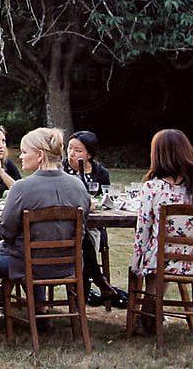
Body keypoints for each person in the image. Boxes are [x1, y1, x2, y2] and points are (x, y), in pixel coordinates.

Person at [0, 128, 90, 308]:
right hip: (68, 264)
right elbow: (83, 229)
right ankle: (39, 308)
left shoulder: (21, 188)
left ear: (40, 155)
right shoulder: (79, 186)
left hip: (29, 265)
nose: (21, 157)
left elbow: (5, 231)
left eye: (25, 152)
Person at [130, 128, 193, 331]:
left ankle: (148, 315)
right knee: (161, 253)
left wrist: (136, 263)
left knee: (153, 255)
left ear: (158, 155)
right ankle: (153, 316)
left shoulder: (153, 188)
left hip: (164, 260)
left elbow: (143, 229)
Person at [63, 130, 126, 307]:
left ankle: (85, 290)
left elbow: (107, 199)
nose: (72, 154)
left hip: (93, 222)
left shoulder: (100, 172)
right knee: (83, 237)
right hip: (67, 222)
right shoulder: (61, 169)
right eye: (70, 149)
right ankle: (97, 279)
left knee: (87, 235)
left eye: (78, 150)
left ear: (89, 154)